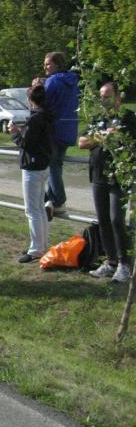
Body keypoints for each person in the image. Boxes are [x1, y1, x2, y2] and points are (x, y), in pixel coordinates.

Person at [80, 82, 134, 283]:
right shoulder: (98, 119)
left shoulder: (128, 118)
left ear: (118, 97)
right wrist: (103, 137)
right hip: (98, 176)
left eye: (107, 96)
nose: (103, 100)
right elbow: (82, 142)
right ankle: (111, 262)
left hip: (118, 177)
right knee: (102, 220)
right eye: (101, 97)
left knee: (116, 220)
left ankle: (124, 264)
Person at [10, 84, 54, 263]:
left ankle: (36, 249)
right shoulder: (46, 116)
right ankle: (41, 245)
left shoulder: (35, 118)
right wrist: (23, 131)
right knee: (39, 209)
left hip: (32, 167)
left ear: (30, 100)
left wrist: (14, 133)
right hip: (43, 165)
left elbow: (26, 144)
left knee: (32, 210)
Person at [34, 51, 79, 219]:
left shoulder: (52, 81)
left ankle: (58, 200)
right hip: (69, 127)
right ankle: (50, 200)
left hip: (54, 128)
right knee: (56, 164)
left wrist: (37, 87)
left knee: (53, 165)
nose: (45, 67)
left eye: (48, 64)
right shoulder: (72, 81)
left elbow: (42, 102)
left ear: (57, 65)